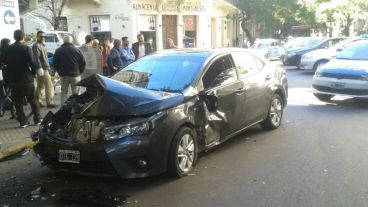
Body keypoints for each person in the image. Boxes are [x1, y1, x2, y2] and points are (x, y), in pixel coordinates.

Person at [0, 30, 41, 127]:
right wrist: (33, 73)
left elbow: (1, 62)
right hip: (27, 78)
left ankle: (23, 122)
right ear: (23, 37)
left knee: (18, 102)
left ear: (14, 37)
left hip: (13, 80)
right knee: (33, 100)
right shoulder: (26, 48)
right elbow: (33, 63)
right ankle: (37, 120)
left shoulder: (7, 50)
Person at [54, 36, 86, 105]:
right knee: (76, 93)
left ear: (63, 42)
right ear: (71, 41)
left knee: (64, 92)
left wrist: (59, 72)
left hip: (63, 75)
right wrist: (80, 72)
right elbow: (83, 63)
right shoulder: (77, 50)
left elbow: (55, 63)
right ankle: (75, 109)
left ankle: (63, 109)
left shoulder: (58, 50)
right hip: (75, 75)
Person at [32, 31, 56, 108]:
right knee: (49, 85)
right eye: (40, 36)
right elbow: (36, 58)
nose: (42, 38)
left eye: (43, 37)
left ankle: (38, 101)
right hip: (42, 69)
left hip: (43, 68)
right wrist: (39, 68)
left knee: (40, 86)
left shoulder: (42, 45)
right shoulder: (36, 46)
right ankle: (50, 102)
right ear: (37, 37)